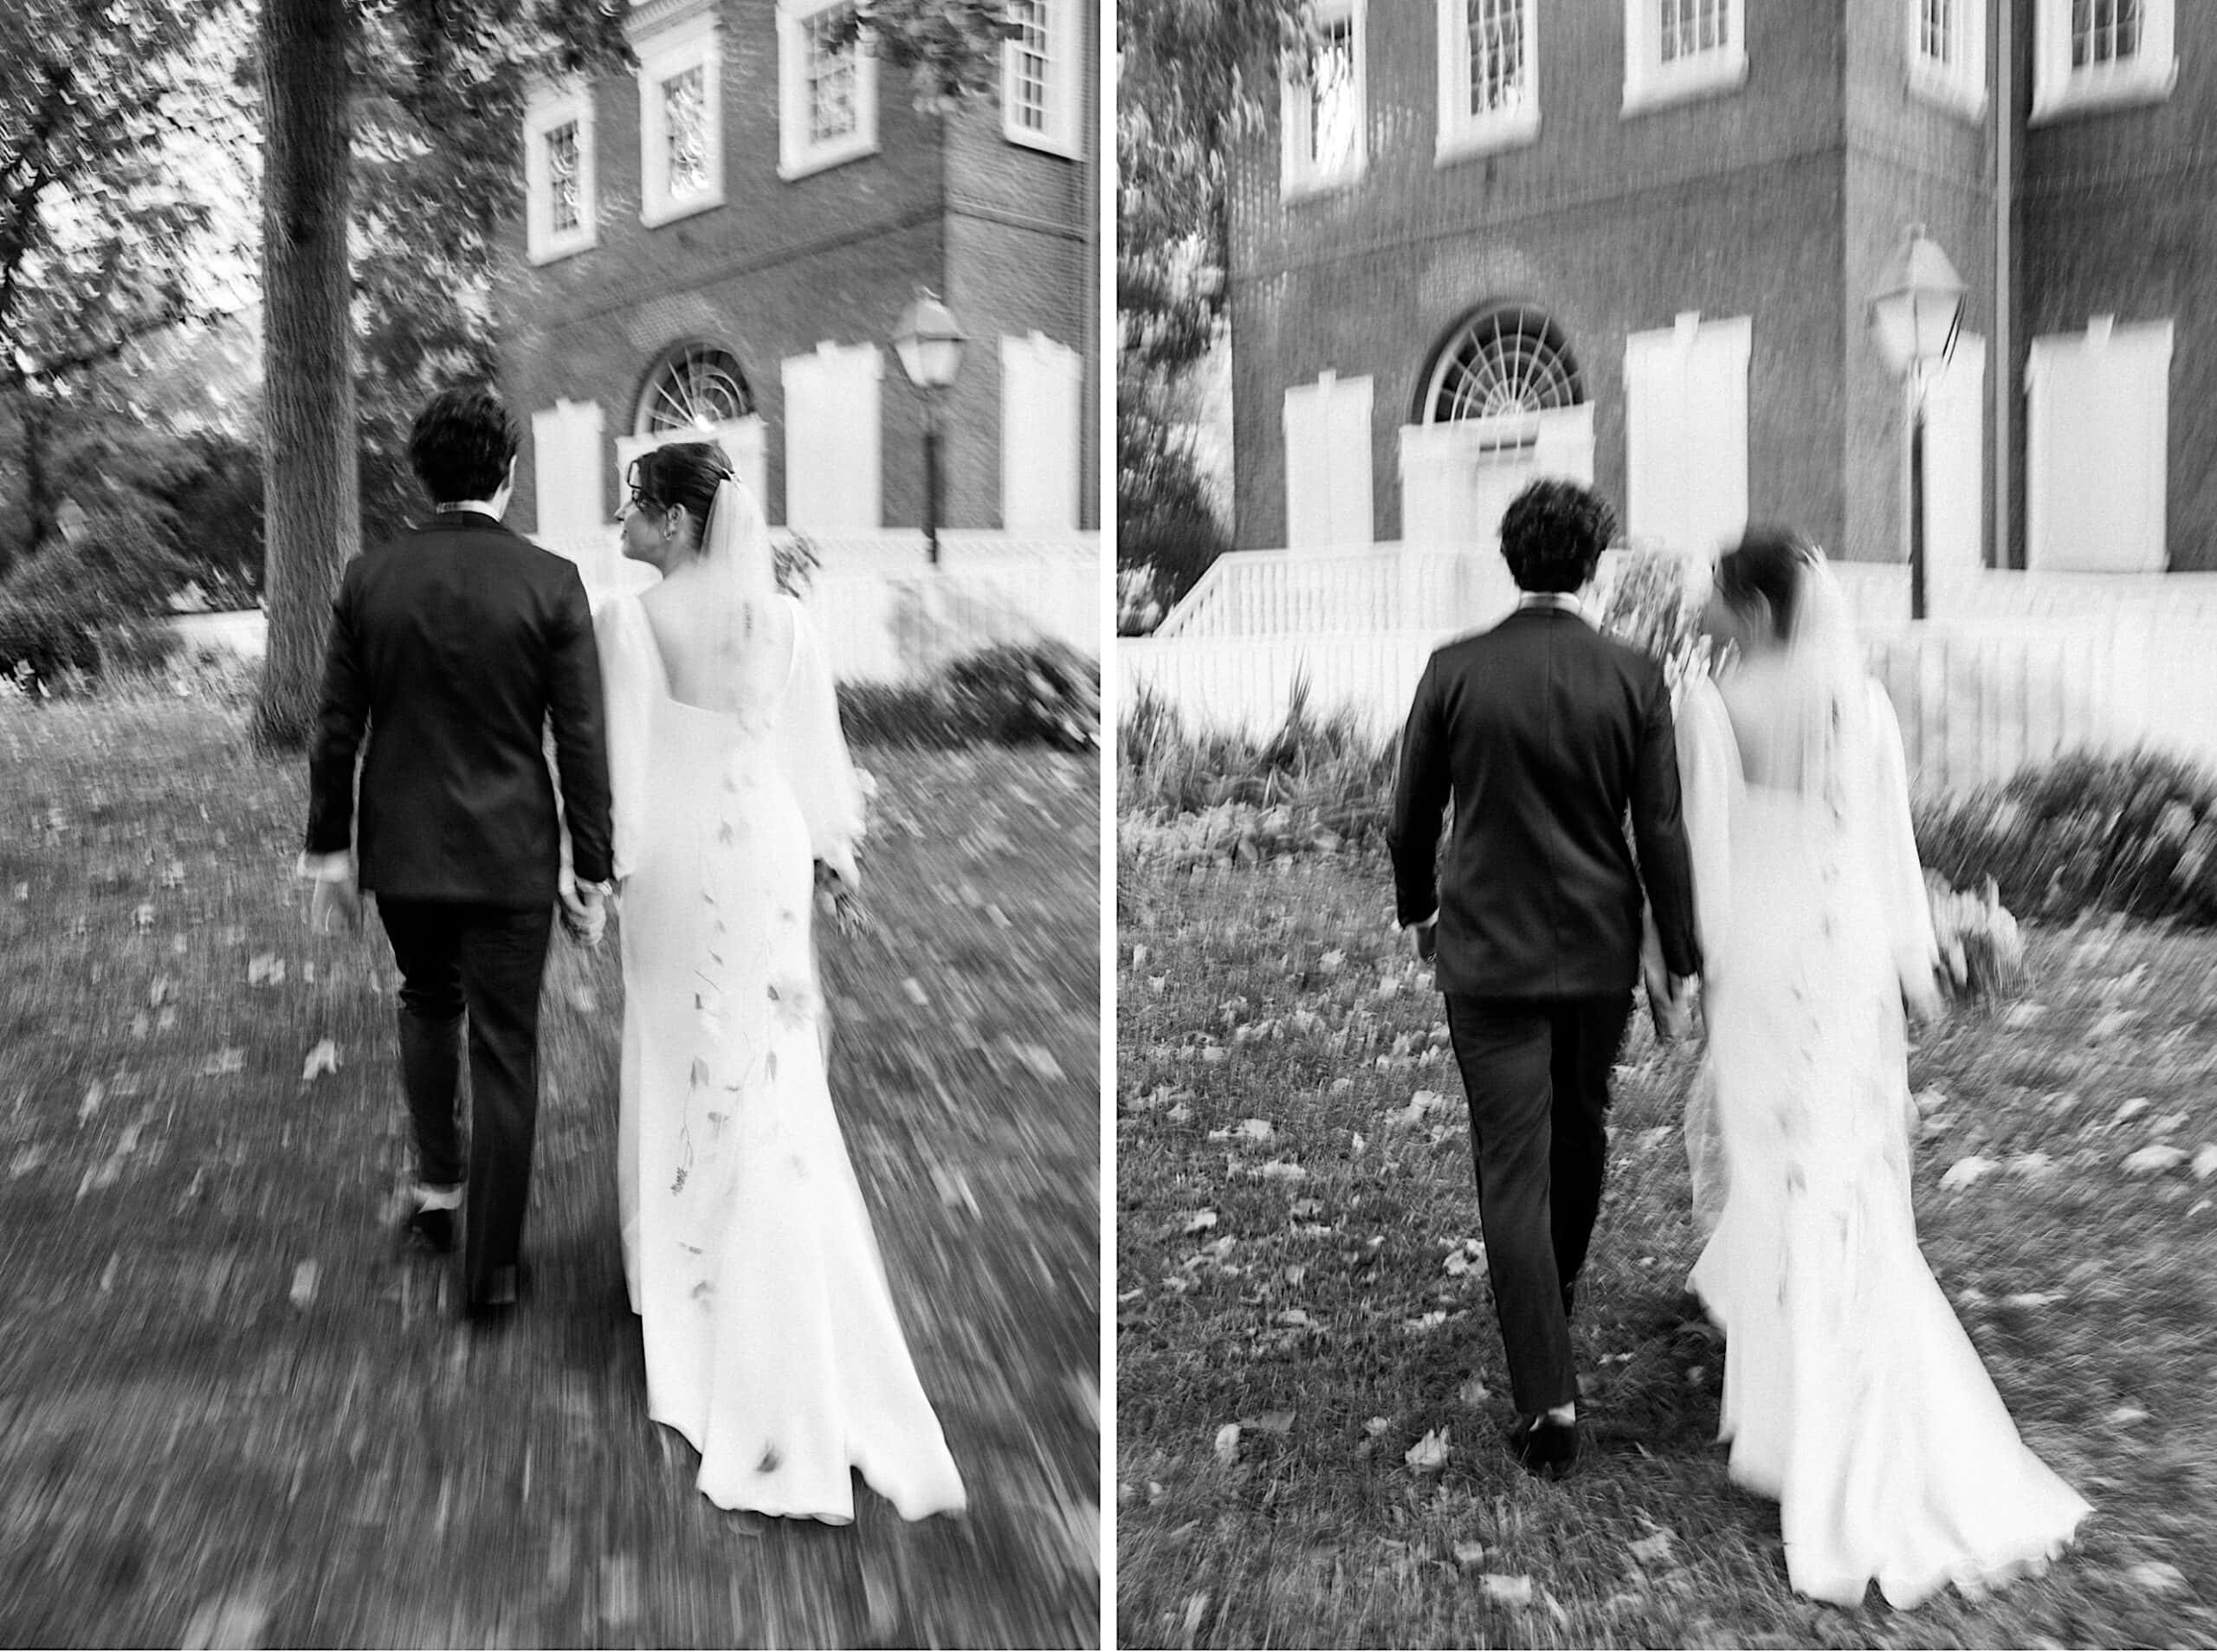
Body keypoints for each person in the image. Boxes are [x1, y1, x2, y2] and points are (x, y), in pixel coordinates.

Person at [1677, 527, 2090, 1607]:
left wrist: (1696, 971)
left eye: (1716, 595)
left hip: (1761, 964)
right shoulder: (1861, 706)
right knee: (1848, 1171)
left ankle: (1788, 1419)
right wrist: (1913, 965)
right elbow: (1890, 851)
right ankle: (1827, 1383)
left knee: (1772, 1171)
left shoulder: (1708, 706)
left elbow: (1705, 860)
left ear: (1753, 609)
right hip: (1847, 961)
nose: (1705, 611)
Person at [594, 441, 966, 1522]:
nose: (622, 520)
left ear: (675, 521)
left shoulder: (629, 623)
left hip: (674, 865)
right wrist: (834, 855)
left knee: (679, 1052)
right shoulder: (790, 625)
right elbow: (817, 758)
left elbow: (622, 773)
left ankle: (687, 1268)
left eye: (634, 503)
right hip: (767, 854)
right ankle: (754, 1249)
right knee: (767, 1064)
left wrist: (603, 872)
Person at [1386, 478, 1702, 1478]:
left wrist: (1418, 914)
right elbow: (1660, 827)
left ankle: (1548, 1396)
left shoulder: (1454, 669)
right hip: (1598, 954)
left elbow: (1408, 817)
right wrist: (1680, 955)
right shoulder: (1633, 675)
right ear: (1593, 564)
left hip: (1486, 952)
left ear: (1509, 559)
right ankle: (1545, 1322)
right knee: (1578, 1134)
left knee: (1513, 1164)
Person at [301, 385, 613, 1324]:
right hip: (512, 853)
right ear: (508, 475)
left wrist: (329, 850)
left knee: (427, 1001)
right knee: (506, 1046)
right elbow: (582, 738)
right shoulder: (552, 581)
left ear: (420, 476)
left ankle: (438, 1195)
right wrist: (592, 868)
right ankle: (493, 1274)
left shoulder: (369, 578)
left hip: (403, 852)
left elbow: (335, 728)